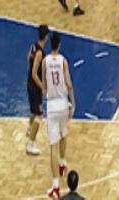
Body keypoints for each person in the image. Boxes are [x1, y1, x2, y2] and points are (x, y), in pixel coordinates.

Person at [42, 32, 76, 199]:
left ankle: (55, 186)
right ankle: (62, 162)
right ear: (59, 45)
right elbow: (68, 83)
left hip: (52, 105)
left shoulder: (45, 61)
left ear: (50, 44)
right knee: (64, 134)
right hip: (63, 103)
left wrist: (47, 95)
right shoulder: (63, 61)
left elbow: (44, 85)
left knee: (53, 146)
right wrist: (73, 102)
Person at [26, 24, 49, 156]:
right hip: (34, 86)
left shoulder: (33, 46)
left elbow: (28, 60)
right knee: (39, 115)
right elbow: (34, 73)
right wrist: (42, 86)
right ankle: (31, 144)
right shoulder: (40, 52)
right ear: (46, 37)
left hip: (30, 84)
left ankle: (30, 129)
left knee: (33, 111)